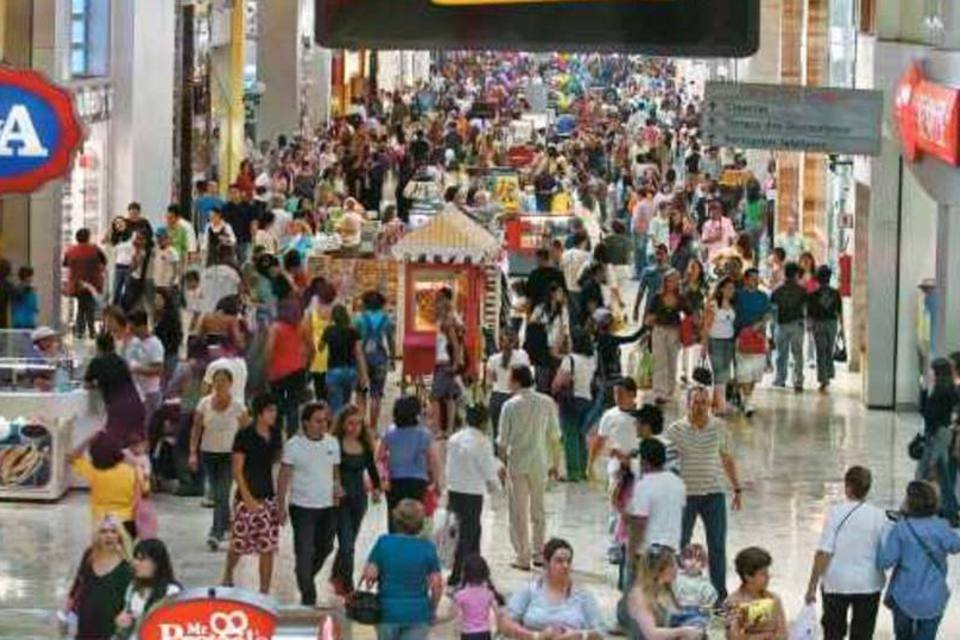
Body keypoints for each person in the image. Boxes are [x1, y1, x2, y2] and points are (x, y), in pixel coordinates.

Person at [667, 380, 743, 602]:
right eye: (695, 402)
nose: (699, 407)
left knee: (717, 546)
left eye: (703, 403)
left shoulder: (719, 427)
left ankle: (719, 595)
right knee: (680, 544)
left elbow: (727, 458)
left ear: (709, 404)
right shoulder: (675, 430)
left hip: (714, 494)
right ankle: (676, 591)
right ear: (687, 404)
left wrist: (737, 487)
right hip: (685, 497)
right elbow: (668, 465)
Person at [804, 466, 888, 640]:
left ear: (847, 487)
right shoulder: (880, 516)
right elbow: (886, 553)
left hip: (836, 583)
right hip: (869, 584)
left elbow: (823, 553)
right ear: (868, 488)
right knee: (863, 635)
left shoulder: (835, 513)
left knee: (833, 634)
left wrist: (811, 587)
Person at [277, 401, 343, 606]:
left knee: (326, 547)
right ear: (306, 423)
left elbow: (335, 472)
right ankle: (308, 594)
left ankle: (304, 575)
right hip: (302, 507)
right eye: (317, 421)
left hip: (328, 507)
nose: (323, 424)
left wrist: (337, 488)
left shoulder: (332, 443)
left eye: (325, 421)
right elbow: (283, 477)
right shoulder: (293, 446)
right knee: (304, 551)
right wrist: (280, 506)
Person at [497, 364, 562, 570]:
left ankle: (522, 556)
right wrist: (556, 464)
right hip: (540, 462)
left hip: (517, 462)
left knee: (518, 511)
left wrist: (501, 465)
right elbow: (554, 437)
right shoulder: (547, 402)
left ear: (515, 380)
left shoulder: (509, 406)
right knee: (538, 510)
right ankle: (539, 553)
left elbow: (502, 441)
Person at [878, 480, 960, 640]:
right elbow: (956, 547)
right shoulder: (941, 526)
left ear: (909, 503)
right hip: (933, 598)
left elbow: (884, 562)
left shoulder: (900, 528)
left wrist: (889, 528)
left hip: (903, 597)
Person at [223, 393, 283, 594]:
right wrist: (246, 497)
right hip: (246, 497)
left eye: (274, 410)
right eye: (269, 411)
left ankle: (264, 590)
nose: (273, 415)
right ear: (259, 413)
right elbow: (237, 470)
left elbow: (276, 463)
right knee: (238, 543)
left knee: (268, 547)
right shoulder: (244, 436)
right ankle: (228, 572)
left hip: (267, 496)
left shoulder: (275, 435)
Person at [361, 499, 443, 640]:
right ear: (421, 523)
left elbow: (369, 575)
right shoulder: (427, 547)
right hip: (418, 613)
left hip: (387, 612)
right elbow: (437, 585)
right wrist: (433, 609)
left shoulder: (384, 542)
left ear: (396, 520)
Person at [189, 367, 248, 550]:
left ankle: (215, 533)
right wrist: (192, 452)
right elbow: (197, 428)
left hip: (229, 456)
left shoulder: (238, 406)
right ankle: (227, 523)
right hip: (209, 454)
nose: (220, 385)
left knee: (222, 494)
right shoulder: (204, 403)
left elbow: (246, 432)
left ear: (230, 384)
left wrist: (245, 455)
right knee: (216, 494)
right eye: (217, 381)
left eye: (224, 381)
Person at [500, 538, 603, 639]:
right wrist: (536, 636)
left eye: (568, 561)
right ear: (546, 563)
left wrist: (578, 635)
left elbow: (600, 632)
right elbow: (506, 623)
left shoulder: (584, 596)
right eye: (559, 561)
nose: (565, 565)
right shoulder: (530, 591)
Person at [445, 404, 501, 586]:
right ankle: (459, 574)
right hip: (472, 493)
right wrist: (497, 488)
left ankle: (476, 571)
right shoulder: (482, 441)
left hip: (454, 490)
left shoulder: (454, 439)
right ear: (485, 422)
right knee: (469, 533)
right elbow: (488, 469)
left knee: (466, 532)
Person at [331, 403, 382, 595]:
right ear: (342, 424)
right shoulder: (334, 443)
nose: (354, 428)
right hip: (340, 501)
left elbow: (372, 469)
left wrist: (376, 488)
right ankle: (348, 584)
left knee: (350, 541)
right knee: (347, 544)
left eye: (358, 424)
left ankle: (337, 574)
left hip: (359, 500)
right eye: (350, 424)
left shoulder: (365, 445)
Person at [65, 515, 134, 640]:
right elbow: (77, 584)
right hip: (85, 622)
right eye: (104, 531)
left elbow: (131, 601)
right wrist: (65, 613)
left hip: (109, 627)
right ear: (98, 536)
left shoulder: (126, 566)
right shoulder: (89, 555)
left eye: (113, 531)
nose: (109, 536)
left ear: (119, 536)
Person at [626, 439, 687, 576]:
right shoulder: (678, 483)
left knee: (638, 593)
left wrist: (631, 554)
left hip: (648, 553)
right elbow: (679, 512)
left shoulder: (644, 485)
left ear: (644, 461)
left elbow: (639, 524)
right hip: (671, 551)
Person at [380, 395, 441, 531]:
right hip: (418, 482)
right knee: (416, 517)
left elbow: (379, 457)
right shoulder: (425, 434)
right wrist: (436, 482)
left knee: (394, 516)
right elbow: (433, 460)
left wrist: (381, 479)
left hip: (395, 481)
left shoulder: (389, 433)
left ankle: (395, 543)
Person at [621, 544, 706, 640]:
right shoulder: (639, 595)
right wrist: (683, 631)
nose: (676, 569)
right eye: (673, 565)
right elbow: (651, 634)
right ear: (660, 569)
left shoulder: (666, 589)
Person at [69, 432, 139, 539]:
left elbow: (72, 457)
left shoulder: (93, 471)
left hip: (101, 522)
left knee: (102, 553)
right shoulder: (130, 470)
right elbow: (141, 494)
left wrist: (88, 439)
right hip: (126, 520)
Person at [917, 358, 960, 525]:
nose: (929, 373)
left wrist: (923, 389)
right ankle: (949, 510)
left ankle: (916, 508)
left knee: (923, 473)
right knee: (943, 475)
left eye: (932, 370)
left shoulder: (941, 392)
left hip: (936, 436)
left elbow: (926, 413)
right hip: (943, 434)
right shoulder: (951, 390)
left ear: (938, 372)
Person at [85, 331, 146, 446]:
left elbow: (87, 385)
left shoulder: (96, 362)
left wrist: (99, 384)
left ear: (98, 346)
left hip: (118, 408)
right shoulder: (121, 361)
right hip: (136, 404)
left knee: (113, 446)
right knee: (133, 445)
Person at [113, 539, 182, 638]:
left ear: (157, 563)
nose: (135, 563)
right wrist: (122, 623)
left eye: (142, 559)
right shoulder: (133, 588)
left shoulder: (171, 591)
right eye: (135, 558)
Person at [266, 299, 313, 437]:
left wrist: (267, 368)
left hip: (277, 373)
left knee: (277, 405)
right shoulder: (302, 327)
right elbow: (312, 348)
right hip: (297, 371)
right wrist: (307, 364)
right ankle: (291, 438)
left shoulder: (275, 328)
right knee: (293, 406)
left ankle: (276, 436)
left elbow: (269, 350)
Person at [555, 332, 597, 481]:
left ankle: (573, 473)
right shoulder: (591, 360)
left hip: (570, 401)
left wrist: (554, 385)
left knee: (570, 436)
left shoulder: (570, 359)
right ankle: (583, 470)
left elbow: (561, 381)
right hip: (587, 400)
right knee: (581, 436)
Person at [645, 269, 690, 403]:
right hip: (659, 330)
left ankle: (669, 390)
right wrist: (648, 325)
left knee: (672, 361)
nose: (672, 283)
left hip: (674, 331)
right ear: (665, 282)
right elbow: (648, 317)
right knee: (659, 361)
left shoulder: (681, 298)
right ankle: (659, 392)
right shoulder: (657, 297)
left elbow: (690, 313)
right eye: (669, 280)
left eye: (675, 281)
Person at [725, 547, 788, 640]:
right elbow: (733, 637)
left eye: (767, 573)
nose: (768, 577)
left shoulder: (774, 599)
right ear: (748, 576)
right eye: (763, 574)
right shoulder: (733, 602)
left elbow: (783, 634)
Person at [354, 291, 395, 428]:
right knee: (376, 395)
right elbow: (391, 341)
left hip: (362, 360)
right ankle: (373, 428)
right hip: (380, 359)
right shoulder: (387, 320)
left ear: (365, 304)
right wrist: (393, 359)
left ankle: (360, 427)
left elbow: (354, 342)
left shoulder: (358, 319)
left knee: (360, 394)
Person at [733, 269, 771, 417]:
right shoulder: (739, 295)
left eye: (757, 278)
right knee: (744, 370)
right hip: (741, 336)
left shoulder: (762, 296)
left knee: (755, 372)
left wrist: (761, 323)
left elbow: (768, 313)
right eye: (752, 278)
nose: (755, 280)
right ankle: (747, 401)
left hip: (758, 337)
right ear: (746, 279)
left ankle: (746, 397)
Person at [323, 303, 370, 417]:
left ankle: (335, 432)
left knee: (335, 408)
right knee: (345, 406)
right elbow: (359, 354)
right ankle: (343, 430)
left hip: (333, 371)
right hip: (350, 372)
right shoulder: (352, 331)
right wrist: (364, 375)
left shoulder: (329, 330)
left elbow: (320, 347)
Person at [486, 328, 529, 442]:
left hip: (497, 398)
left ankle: (498, 458)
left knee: (498, 434)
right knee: (516, 434)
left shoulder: (492, 359)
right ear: (516, 341)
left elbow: (489, 382)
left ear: (499, 342)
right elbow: (526, 378)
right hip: (516, 397)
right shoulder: (522, 356)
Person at [63, 228, 108, 340]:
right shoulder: (94, 249)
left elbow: (65, 264)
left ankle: (81, 331)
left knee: (82, 307)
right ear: (88, 237)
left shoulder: (71, 250)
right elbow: (104, 261)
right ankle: (90, 331)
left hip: (77, 284)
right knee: (88, 307)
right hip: (92, 283)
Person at [433, 286, 465, 434]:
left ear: (446, 300)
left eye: (439, 299)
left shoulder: (447, 321)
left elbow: (455, 344)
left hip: (445, 362)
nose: (436, 302)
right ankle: (449, 429)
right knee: (449, 397)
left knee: (436, 397)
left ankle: (440, 429)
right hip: (446, 361)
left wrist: (455, 364)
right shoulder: (451, 318)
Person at [702, 277, 737, 415]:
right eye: (728, 288)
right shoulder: (713, 304)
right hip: (715, 341)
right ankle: (721, 405)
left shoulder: (733, 305)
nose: (731, 291)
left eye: (732, 288)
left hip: (729, 342)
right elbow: (706, 325)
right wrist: (704, 345)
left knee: (725, 372)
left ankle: (717, 404)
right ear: (721, 289)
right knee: (719, 373)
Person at [126, 310, 166, 430]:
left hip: (150, 392)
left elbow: (158, 369)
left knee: (147, 427)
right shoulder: (134, 342)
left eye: (133, 328)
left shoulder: (155, 345)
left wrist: (137, 369)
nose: (131, 331)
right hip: (135, 391)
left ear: (142, 326)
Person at [770, 262, 807, 392]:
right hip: (797, 324)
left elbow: (773, 309)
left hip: (781, 324)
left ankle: (780, 379)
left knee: (781, 354)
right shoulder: (802, 290)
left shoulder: (777, 291)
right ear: (796, 274)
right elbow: (805, 308)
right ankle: (798, 381)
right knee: (798, 354)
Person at [808, 265, 843, 393]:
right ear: (829, 278)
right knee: (829, 350)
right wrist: (842, 329)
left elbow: (810, 314)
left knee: (820, 352)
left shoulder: (813, 295)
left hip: (819, 324)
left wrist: (810, 326)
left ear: (818, 278)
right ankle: (828, 374)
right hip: (832, 324)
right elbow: (839, 312)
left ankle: (823, 379)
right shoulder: (835, 294)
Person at [453, 555, 504, 640]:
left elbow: (457, 615)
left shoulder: (460, 595)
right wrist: (499, 629)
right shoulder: (488, 593)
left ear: (465, 574)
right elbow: (497, 613)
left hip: (467, 633)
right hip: (485, 632)